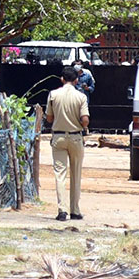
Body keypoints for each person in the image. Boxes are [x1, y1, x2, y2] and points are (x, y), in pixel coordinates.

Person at [45, 66, 90, 221]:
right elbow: (85, 120)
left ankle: (62, 210)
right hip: (76, 137)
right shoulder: (81, 97)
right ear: (76, 80)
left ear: (62, 79)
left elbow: (49, 118)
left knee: (60, 175)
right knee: (76, 174)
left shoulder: (53, 94)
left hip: (58, 138)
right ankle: (75, 210)